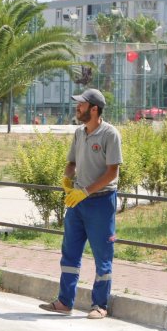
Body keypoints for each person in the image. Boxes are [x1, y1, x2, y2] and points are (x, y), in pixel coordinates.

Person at [39, 88, 122, 319]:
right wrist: (67, 180)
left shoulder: (110, 134)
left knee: (102, 255)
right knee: (70, 253)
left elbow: (111, 173)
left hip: (101, 202)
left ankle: (99, 305)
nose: (77, 108)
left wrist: (85, 191)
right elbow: (71, 162)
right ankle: (65, 302)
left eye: (81, 105)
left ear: (94, 109)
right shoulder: (79, 133)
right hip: (77, 202)